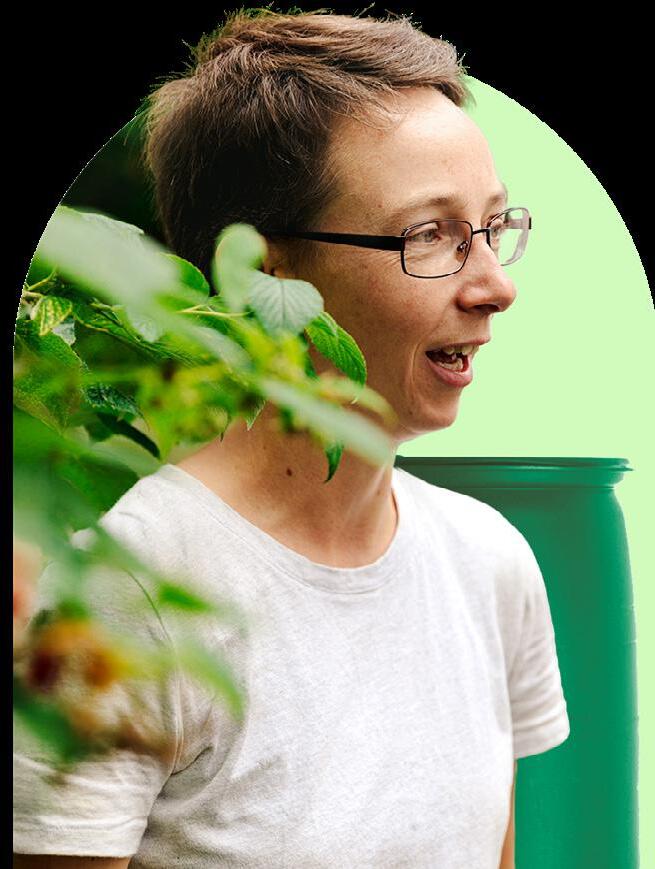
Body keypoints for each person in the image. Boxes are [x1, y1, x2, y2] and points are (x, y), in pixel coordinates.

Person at [13, 8, 569, 867]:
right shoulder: (131, 591)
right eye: (429, 234)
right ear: (264, 270)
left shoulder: (490, 563)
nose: (495, 286)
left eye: (491, 227)